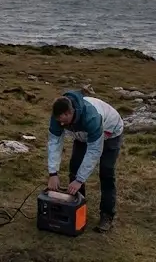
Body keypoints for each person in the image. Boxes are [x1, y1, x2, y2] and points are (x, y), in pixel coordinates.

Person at [46, 90, 124, 233]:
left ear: (70, 113)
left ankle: (107, 216)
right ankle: (77, 208)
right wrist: (53, 173)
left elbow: (94, 151)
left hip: (110, 131)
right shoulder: (58, 116)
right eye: (58, 120)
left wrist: (80, 180)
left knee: (106, 172)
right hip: (83, 134)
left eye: (63, 120)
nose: (61, 123)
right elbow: (54, 142)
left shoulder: (91, 117)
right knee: (74, 167)